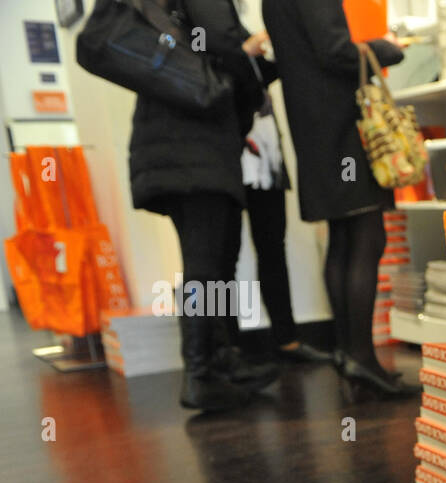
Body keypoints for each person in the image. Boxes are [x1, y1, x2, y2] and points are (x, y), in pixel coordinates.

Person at [127, 0, 280, 412]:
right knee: (205, 263)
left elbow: (215, 50)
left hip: (186, 144)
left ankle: (221, 359)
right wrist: (254, 71)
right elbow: (225, 44)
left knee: (216, 258)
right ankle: (199, 373)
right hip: (191, 145)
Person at [263, 0, 418, 398]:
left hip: (314, 126)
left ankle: (350, 353)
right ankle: (360, 357)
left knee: (344, 236)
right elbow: (334, 51)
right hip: (340, 125)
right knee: (367, 234)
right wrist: (385, 47)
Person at [240, 56, 333, 364]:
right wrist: (242, 52)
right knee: (218, 256)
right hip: (226, 148)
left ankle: (286, 338)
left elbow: (268, 72)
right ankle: (227, 350)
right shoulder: (202, 26)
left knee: (272, 247)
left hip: (266, 155)